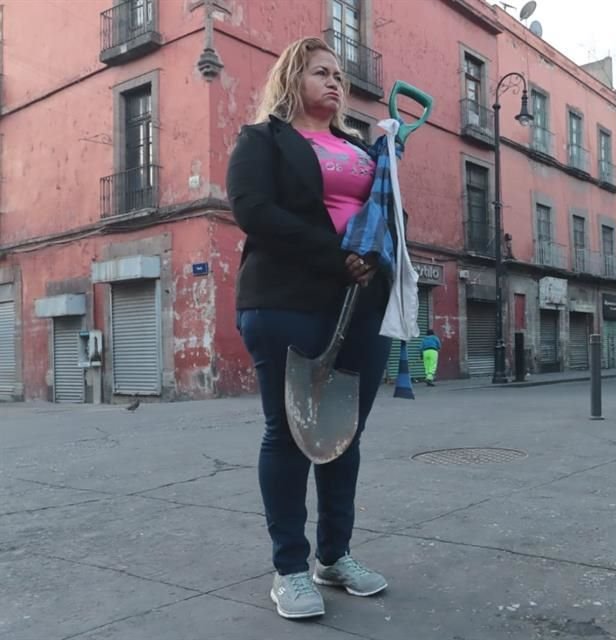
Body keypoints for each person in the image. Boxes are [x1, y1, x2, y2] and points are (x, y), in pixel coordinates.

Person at [227, 37, 392, 620]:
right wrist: (333, 256)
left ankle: (334, 556)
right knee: (290, 432)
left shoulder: (359, 148)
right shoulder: (263, 140)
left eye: (340, 76)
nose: (335, 83)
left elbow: (382, 214)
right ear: (293, 77)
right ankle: (290, 568)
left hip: (360, 303)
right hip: (286, 298)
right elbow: (253, 209)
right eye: (321, 72)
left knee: (343, 434)